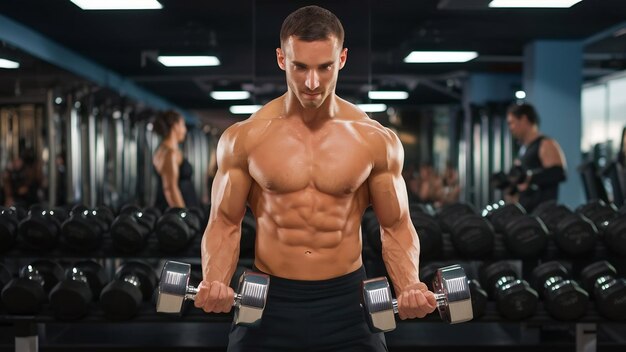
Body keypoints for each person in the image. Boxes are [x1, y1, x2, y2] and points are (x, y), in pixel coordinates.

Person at [194, 6, 436, 351]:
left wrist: (410, 284)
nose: (312, 82)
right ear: (281, 59)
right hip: (266, 301)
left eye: (324, 67)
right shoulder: (245, 138)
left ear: (342, 58)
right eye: (300, 67)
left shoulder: (373, 139)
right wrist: (215, 282)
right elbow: (224, 223)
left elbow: (396, 225)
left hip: (348, 303)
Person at [506, 103, 567, 212]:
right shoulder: (524, 148)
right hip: (527, 213)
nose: (510, 128)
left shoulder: (545, 144)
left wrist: (530, 178)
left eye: (512, 123)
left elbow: (558, 173)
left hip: (543, 216)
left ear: (524, 119)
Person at [152, 110, 200, 211]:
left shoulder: (167, 150)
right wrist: (183, 216)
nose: (185, 130)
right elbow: (170, 189)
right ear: (175, 126)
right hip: (175, 212)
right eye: (183, 125)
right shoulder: (169, 154)